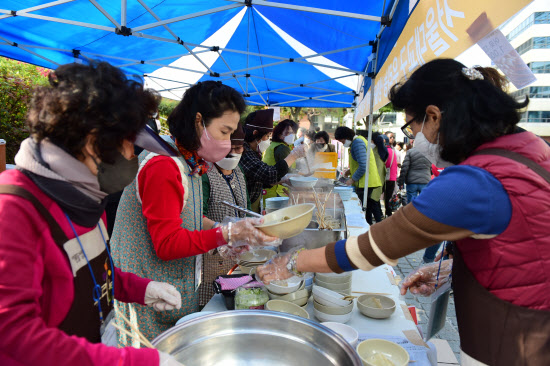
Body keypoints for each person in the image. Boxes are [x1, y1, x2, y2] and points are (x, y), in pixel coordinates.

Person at [257, 59, 550, 365]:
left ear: (434, 116)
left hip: (518, 339)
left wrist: (291, 261)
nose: (412, 137)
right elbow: (521, 240)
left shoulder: (475, 181)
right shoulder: (528, 146)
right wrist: (454, 269)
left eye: (411, 125)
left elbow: (372, 248)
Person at [0, 61, 185, 365]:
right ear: (92, 141)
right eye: (129, 145)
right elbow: (13, 331)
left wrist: (143, 289)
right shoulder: (14, 207)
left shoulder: (86, 195)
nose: (132, 156)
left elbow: (94, 271)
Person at [110, 81, 278, 345]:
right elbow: (167, 244)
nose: (227, 142)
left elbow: (185, 215)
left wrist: (223, 236)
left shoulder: (191, 161)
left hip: (171, 287)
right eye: (224, 131)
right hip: (146, 291)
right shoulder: (164, 165)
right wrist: (227, 233)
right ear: (199, 121)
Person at [200, 125, 250, 306]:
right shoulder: (204, 173)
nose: (234, 153)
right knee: (213, 303)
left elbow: (246, 207)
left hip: (238, 255)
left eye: (239, 148)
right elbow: (196, 217)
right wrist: (220, 229)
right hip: (212, 257)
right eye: (230, 149)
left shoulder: (239, 172)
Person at [240, 110, 307, 212]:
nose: (268, 139)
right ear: (255, 133)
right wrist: (294, 155)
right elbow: (268, 174)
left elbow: (259, 179)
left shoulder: (253, 152)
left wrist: (283, 179)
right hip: (245, 207)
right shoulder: (243, 152)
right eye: (267, 136)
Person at [334, 127, 381, 211]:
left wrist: (352, 179)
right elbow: (358, 162)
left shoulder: (358, 143)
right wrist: (349, 171)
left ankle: (370, 223)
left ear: (347, 137)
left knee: (365, 208)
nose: (342, 143)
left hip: (365, 181)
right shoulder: (356, 142)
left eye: (342, 141)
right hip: (364, 181)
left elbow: (363, 165)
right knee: (368, 208)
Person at [262, 119, 298, 202]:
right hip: (277, 192)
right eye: (288, 133)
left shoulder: (274, 145)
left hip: (269, 192)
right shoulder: (282, 148)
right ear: (279, 134)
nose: (291, 136)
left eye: (293, 133)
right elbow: (287, 171)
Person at [383, 132, 398, 217]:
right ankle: (388, 213)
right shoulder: (391, 150)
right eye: (390, 137)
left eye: (393, 137)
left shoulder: (387, 150)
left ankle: (387, 213)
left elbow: (386, 164)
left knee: (387, 197)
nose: (392, 138)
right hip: (392, 176)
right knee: (388, 196)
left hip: (387, 176)